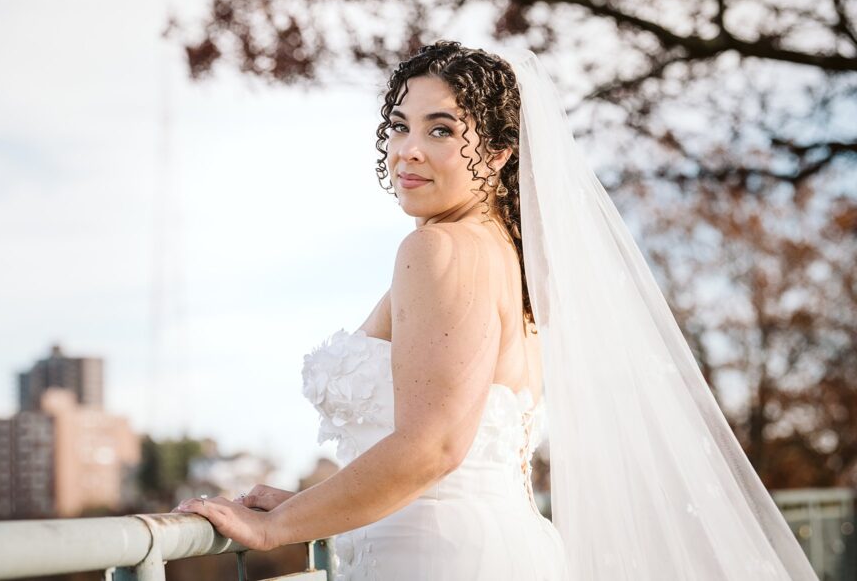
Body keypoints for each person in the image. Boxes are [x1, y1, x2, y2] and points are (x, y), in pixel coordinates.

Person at [175, 41, 818, 580]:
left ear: (503, 152)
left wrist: (276, 528)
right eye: (400, 126)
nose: (409, 151)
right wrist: (313, 504)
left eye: (442, 129)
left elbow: (434, 447)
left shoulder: (436, 249)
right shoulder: (513, 261)